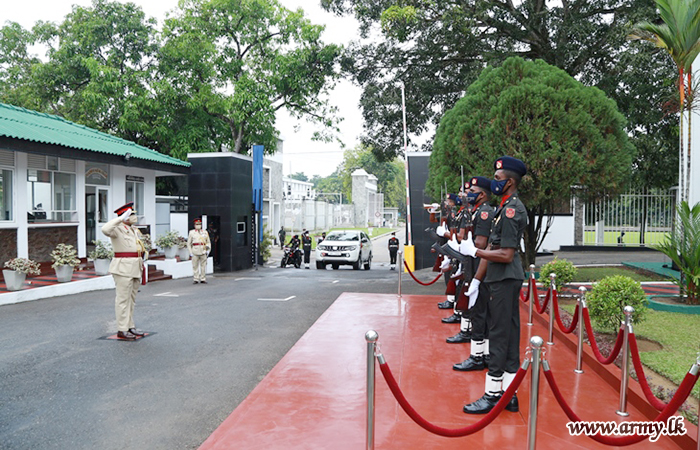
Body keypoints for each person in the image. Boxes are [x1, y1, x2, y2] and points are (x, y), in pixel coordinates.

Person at [459, 156, 528, 414]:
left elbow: (506, 254)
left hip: (504, 278)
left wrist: (476, 253)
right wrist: (478, 278)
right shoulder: (504, 207)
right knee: (508, 335)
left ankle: (493, 393)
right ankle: (509, 393)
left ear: (509, 182)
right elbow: (494, 246)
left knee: (499, 334)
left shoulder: (511, 210)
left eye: (498, 179)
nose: (494, 182)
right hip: (503, 278)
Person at [452, 176, 494, 359]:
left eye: (472, 192)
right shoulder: (475, 211)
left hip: (480, 266)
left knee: (479, 311)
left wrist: (464, 242)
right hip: (473, 264)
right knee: (476, 309)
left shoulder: (484, 212)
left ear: (482, 194)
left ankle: (478, 356)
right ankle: (481, 353)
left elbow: (480, 242)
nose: (468, 195)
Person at [102, 202, 146, 340]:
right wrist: (120, 219)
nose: (134, 216)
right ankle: (122, 329)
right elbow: (105, 229)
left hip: (135, 266)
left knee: (131, 300)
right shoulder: (117, 229)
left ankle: (129, 326)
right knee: (122, 300)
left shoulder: (133, 230)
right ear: (125, 216)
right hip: (123, 268)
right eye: (131, 214)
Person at [188, 218, 211, 284]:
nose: (198, 225)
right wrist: (190, 252)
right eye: (197, 224)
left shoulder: (204, 232)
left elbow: (208, 242)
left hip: (203, 250)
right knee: (195, 266)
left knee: (203, 266)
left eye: (199, 224)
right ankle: (196, 278)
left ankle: (203, 278)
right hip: (195, 251)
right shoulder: (192, 232)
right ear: (194, 225)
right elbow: (189, 243)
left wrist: (208, 250)